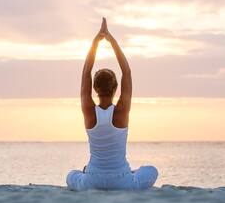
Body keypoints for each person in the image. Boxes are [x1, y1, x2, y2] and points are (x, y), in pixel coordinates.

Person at [66, 18, 158, 191]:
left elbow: (86, 71)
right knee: (152, 171)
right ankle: (131, 173)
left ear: (94, 88)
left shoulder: (88, 111)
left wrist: (96, 41)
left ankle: (86, 173)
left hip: (92, 179)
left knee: (70, 175)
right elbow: (127, 71)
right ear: (116, 87)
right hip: (121, 180)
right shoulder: (122, 111)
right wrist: (111, 40)